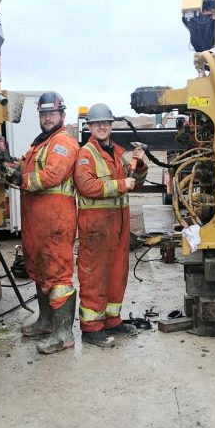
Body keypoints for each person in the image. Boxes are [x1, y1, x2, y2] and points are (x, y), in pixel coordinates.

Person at [7, 91, 79, 354]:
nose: (47, 118)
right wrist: (9, 164)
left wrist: (19, 179)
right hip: (36, 220)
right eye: (43, 114)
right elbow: (27, 168)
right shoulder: (40, 143)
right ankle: (46, 322)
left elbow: (51, 175)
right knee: (38, 270)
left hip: (55, 221)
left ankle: (63, 335)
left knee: (57, 275)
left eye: (52, 114)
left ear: (62, 115)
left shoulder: (63, 143)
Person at [74, 103, 147, 347]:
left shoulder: (116, 153)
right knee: (94, 275)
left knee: (117, 273)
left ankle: (112, 319)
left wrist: (140, 165)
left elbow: (134, 182)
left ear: (111, 125)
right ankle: (92, 327)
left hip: (118, 225)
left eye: (106, 122)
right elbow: (87, 186)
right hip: (96, 227)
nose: (102, 126)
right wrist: (119, 185)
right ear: (90, 127)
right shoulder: (86, 154)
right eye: (97, 123)